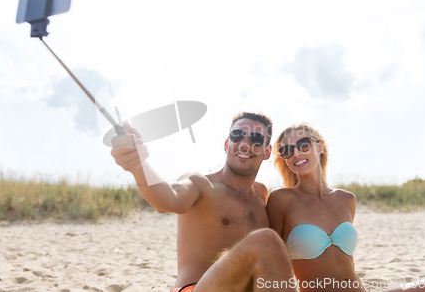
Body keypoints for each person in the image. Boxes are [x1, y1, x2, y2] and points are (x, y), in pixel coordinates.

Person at [111, 112, 297, 292]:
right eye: (237, 135)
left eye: (255, 139)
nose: (245, 144)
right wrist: (139, 166)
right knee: (265, 240)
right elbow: (168, 199)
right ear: (227, 144)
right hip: (196, 288)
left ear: (266, 152)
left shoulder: (261, 193)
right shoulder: (200, 184)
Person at [267, 122, 425, 292]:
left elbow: (345, 264)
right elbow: (272, 264)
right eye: (286, 150)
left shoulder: (346, 200)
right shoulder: (281, 200)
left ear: (320, 147)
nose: (296, 153)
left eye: (303, 145)